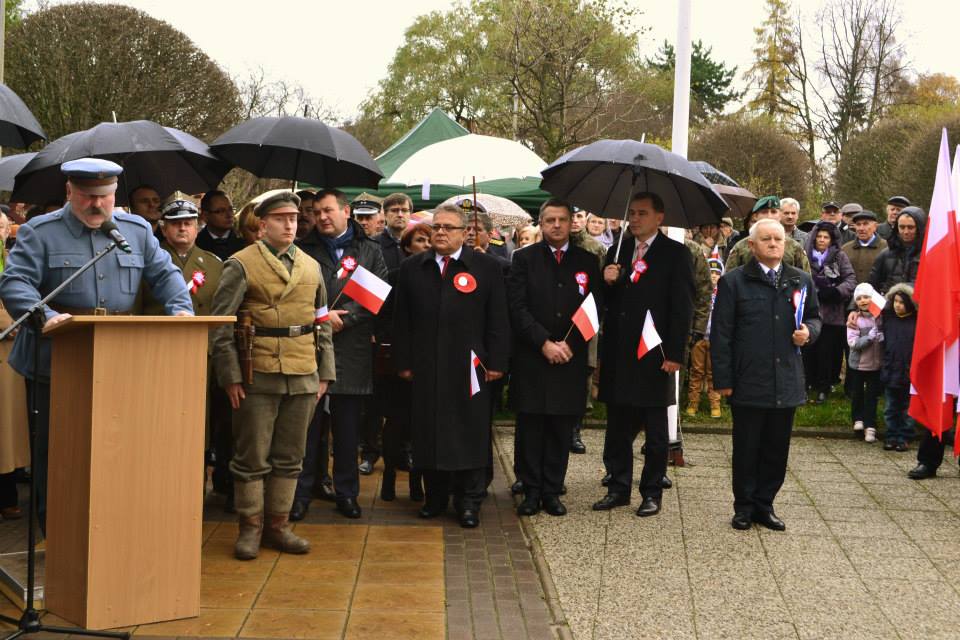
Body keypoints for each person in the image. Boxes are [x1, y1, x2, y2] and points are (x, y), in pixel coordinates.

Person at [0, 158, 194, 533]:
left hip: (120, 362)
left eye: (104, 197)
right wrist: (45, 316)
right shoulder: (41, 232)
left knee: (116, 451)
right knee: (58, 456)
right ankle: (54, 534)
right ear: (70, 192)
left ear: (114, 194)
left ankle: (110, 534)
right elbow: (15, 284)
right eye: (88, 197)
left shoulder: (136, 231)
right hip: (54, 359)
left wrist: (181, 310)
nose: (96, 205)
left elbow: (166, 274)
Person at [210, 191, 335, 560]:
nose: (290, 225)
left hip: (302, 371)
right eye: (281, 218)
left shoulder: (311, 266)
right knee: (251, 456)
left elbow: (322, 320)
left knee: (290, 456)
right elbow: (221, 325)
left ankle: (278, 525)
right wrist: (230, 375)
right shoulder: (241, 263)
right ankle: (250, 527)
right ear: (262, 224)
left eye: (294, 218)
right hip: (257, 371)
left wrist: (325, 372)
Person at [392, 204, 510, 528]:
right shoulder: (414, 268)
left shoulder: (485, 268)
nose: (440, 232)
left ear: (464, 233)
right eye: (436, 227)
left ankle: (468, 500)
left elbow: (498, 318)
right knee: (429, 431)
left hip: (471, 368)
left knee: (469, 432)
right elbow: (401, 319)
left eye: (448, 228)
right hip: (427, 366)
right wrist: (403, 361)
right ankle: (435, 497)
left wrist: (497, 362)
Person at [710, 219, 821, 531]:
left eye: (778, 239)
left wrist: (808, 333)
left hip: (785, 379)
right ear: (752, 245)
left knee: (776, 448)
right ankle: (743, 506)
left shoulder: (800, 280)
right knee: (747, 448)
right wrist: (724, 381)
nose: (774, 244)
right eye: (767, 239)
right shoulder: (733, 282)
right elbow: (722, 335)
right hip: (749, 379)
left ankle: (765, 504)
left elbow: (815, 318)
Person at [593, 192, 694, 518]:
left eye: (642, 213)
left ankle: (651, 491)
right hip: (621, 353)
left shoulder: (675, 254)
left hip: (655, 352)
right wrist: (607, 282)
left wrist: (676, 354)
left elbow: (682, 308)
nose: (634, 219)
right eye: (632, 213)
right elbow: (605, 304)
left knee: (655, 431)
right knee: (618, 427)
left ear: (659, 218)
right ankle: (618, 488)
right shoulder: (617, 249)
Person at [293, 189, 388, 520]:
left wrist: (344, 320)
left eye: (328, 210)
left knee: (348, 431)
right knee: (307, 429)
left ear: (345, 211)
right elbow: (296, 294)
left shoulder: (369, 249)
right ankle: (301, 493)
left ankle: (348, 493)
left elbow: (377, 293)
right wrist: (322, 317)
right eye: (317, 211)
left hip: (351, 350)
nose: (322, 217)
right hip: (311, 349)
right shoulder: (301, 249)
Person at [507, 199, 602, 517]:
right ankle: (531, 491)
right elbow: (517, 308)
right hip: (533, 357)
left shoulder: (588, 261)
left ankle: (552, 490)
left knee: (561, 428)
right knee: (531, 426)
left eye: (562, 219)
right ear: (541, 223)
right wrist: (544, 343)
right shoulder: (523, 259)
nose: (557, 225)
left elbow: (593, 307)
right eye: (550, 220)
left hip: (569, 359)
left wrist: (570, 344)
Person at [377, 223, 433, 502]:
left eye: (429, 240)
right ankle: (388, 478)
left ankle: (416, 482)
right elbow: (384, 317)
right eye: (420, 240)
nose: (425, 244)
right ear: (407, 246)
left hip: (429, 362)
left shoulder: (438, 276)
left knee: (421, 424)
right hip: (399, 362)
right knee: (396, 423)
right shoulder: (395, 276)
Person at [138, 199, 223, 315]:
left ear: (197, 229)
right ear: (163, 229)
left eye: (188, 223)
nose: (182, 228)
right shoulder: (149, 261)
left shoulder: (215, 265)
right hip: (157, 330)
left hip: (201, 331)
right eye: (175, 223)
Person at [803, 222, 856, 403]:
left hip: (831, 312)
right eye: (819, 236)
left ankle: (823, 388)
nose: (822, 240)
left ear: (831, 239)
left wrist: (836, 292)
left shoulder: (839, 256)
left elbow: (850, 279)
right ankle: (806, 384)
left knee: (827, 352)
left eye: (826, 237)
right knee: (808, 350)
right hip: (808, 311)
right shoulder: (805, 255)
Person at [0, 212, 28, 521]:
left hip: (8, 355)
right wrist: (9, 320)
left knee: (6, 433)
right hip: (8, 334)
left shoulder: (14, 261)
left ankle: (7, 496)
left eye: (1, 226)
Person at [725, 196, 811, 273]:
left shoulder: (794, 247)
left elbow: (806, 282)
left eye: (773, 212)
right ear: (755, 216)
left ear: (780, 215)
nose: (769, 216)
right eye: (764, 212)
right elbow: (729, 281)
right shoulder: (741, 247)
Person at [881, 284, 919, 454]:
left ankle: (904, 437)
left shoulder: (917, 322)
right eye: (895, 301)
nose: (897, 305)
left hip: (909, 371)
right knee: (890, 407)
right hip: (890, 370)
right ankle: (891, 435)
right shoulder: (888, 319)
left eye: (902, 302)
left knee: (907, 408)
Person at [847, 283, 884, 443]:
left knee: (872, 396)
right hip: (858, 365)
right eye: (859, 298)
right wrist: (870, 337)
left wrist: (881, 335)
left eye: (866, 297)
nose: (863, 301)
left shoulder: (880, 319)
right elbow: (853, 343)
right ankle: (857, 419)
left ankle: (870, 426)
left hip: (875, 365)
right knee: (857, 393)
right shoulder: (855, 320)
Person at [686, 259, 723, 418]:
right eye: (711, 272)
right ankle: (693, 402)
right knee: (696, 371)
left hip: (715, 339)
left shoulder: (724, 294)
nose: (713, 276)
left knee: (713, 373)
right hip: (699, 337)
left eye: (717, 273)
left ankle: (715, 403)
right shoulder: (699, 293)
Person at [870, 206, 926, 294]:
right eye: (902, 227)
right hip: (890, 305)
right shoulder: (885, 255)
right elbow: (872, 286)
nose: (906, 232)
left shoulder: (929, 255)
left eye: (910, 227)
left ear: (919, 228)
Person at [197, 190, 245, 260]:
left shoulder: (244, 241)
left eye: (230, 209)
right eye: (221, 211)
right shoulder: (196, 244)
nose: (229, 215)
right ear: (205, 216)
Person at [841, 210, 887, 284]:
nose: (861, 228)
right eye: (858, 224)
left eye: (865, 224)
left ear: (875, 226)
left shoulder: (886, 248)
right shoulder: (845, 249)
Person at [376, 192, 412, 272]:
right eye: (394, 210)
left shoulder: (418, 243)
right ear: (385, 214)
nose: (400, 215)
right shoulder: (372, 244)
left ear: (410, 214)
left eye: (404, 210)